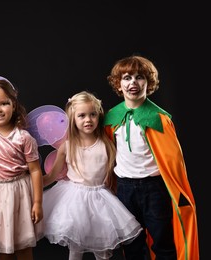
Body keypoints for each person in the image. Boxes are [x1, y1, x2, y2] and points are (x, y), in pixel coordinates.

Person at [104, 55, 199, 260]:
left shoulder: (159, 119)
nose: (133, 83)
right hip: (124, 188)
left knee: (162, 242)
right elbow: (106, 152)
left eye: (139, 78)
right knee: (131, 243)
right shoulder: (112, 117)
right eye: (127, 78)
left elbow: (173, 160)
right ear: (118, 84)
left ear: (149, 83)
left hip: (154, 188)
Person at [41, 91, 142, 260]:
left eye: (92, 114)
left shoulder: (106, 144)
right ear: (72, 118)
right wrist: (31, 186)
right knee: (75, 248)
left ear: (99, 115)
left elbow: (114, 175)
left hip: (101, 200)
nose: (88, 120)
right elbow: (52, 176)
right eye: (82, 116)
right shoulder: (67, 146)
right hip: (74, 200)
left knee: (102, 250)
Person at [0, 76, 44, 260]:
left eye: (4, 103)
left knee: (22, 246)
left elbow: (36, 170)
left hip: (19, 192)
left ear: (13, 104)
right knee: (3, 247)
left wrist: (37, 202)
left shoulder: (23, 138)